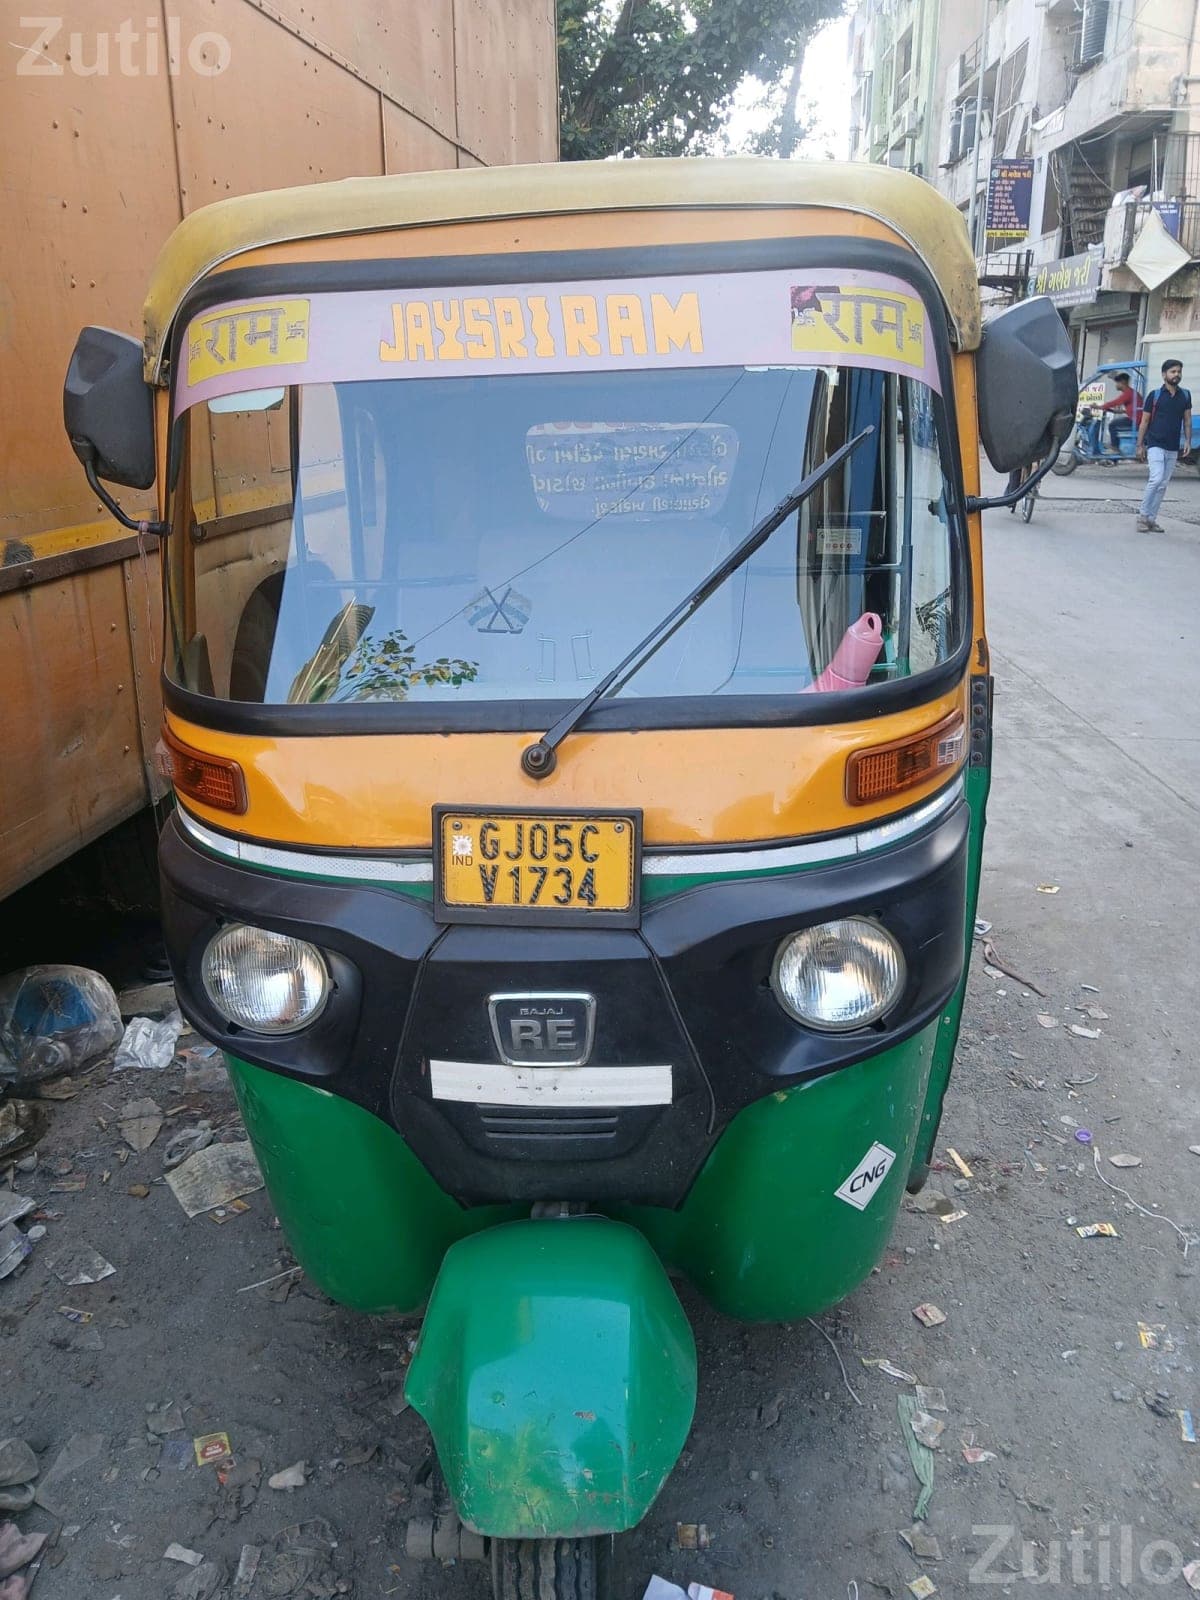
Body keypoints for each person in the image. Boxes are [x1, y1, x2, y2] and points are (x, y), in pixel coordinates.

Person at [1135, 358, 1192, 531]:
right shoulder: (1155, 396)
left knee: (1163, 484)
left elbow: (1187, 420)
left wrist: (1188, 441)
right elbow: (1144, 421)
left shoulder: (1185, 395)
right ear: (1164, 374)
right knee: (1156, 479)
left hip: (1173, 447)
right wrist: (1140, 445)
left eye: (1179, 372)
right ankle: (1142, 516)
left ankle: (1151, 519)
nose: (1176, 375)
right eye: (1173, 371)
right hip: (1155, 444)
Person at [1098, 371, 1138, 454]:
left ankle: (1115, 447)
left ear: (1123, 382)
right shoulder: (1130, 392)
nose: (1116, 385)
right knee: (1117, 422)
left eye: (1117, 383)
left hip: (1135, 420)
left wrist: (1100, 406)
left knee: (1112, 424)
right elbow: (1128, 409)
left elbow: (1116, 402)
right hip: (1134, 418)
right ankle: (1114, 445)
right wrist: (1112, 410)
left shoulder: (1128, 393)